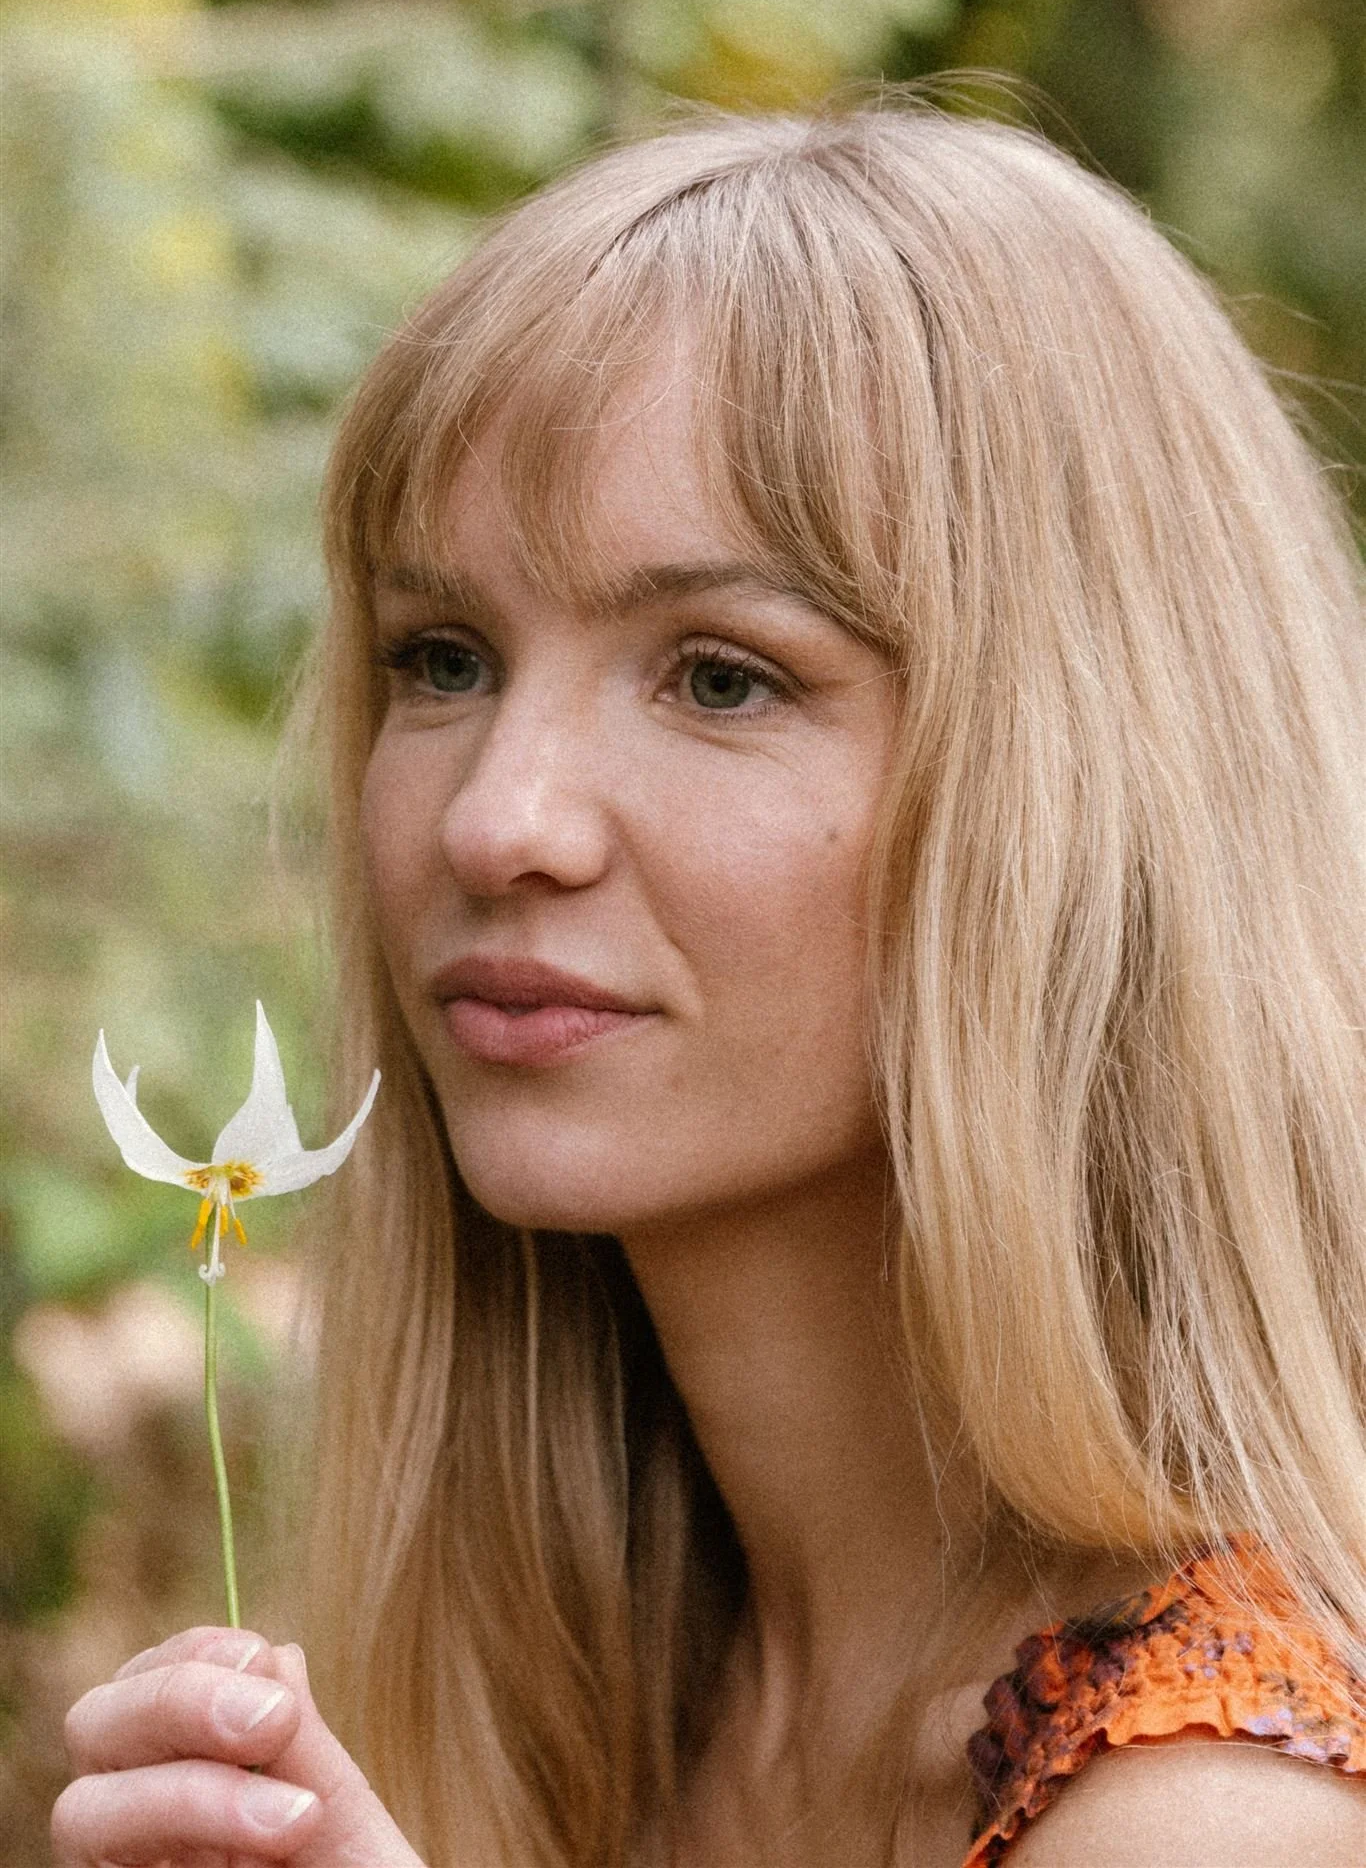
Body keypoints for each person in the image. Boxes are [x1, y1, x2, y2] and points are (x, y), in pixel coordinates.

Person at [53, 99, 1366, 1867]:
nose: (498, 820)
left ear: (1080, 793)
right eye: (441, 659)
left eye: (723, 678)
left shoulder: (1219, 1811)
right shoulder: (578, 1696)